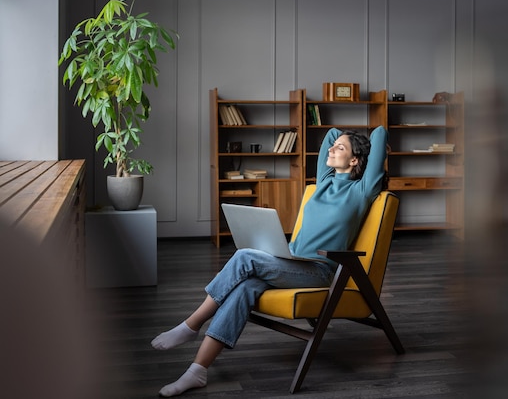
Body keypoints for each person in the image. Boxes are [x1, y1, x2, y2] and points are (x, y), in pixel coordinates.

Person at [151, 125, 388, 397]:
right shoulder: (324, 181)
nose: (332, 149)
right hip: (292, 262)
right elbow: (331, 133)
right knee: (244, 287)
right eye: (334, 148)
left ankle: (191, 325)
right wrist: (343, 140)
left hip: (319, 272)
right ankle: (197, 371)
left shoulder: (362, 191)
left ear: (356, 160)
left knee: (244, 256)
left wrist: (356, 141)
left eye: (341, 149)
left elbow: (380, 133)